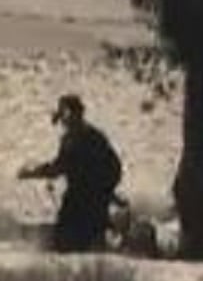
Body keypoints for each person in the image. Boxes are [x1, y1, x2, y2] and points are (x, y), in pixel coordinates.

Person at [17, 94, 124, 253]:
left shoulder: (82, 138)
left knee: (67, 244)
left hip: (82, 199)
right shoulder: (90, 136)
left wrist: (31, 173)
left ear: (76, 114)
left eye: (65, 114)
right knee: (89, 244)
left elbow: (59, 168)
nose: (63, 120)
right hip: (91, 197)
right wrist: (106, 192)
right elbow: (114, 168)